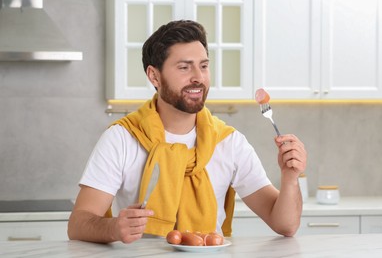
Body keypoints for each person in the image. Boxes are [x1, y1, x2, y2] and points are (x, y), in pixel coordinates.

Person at [67, 20, 307, 244]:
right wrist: (113, 228)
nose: (198, 78)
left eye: (203, 66)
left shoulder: (228, 142)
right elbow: (78, 224)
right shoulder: (122, 138)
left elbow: (284, 225)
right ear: (154, 76)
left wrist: (289, 178)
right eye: (184, 67)